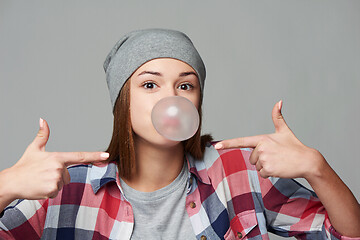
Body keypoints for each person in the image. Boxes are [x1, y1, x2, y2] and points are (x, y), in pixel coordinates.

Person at [0, 28, 359, 240]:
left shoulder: (239, 170)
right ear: (123, 100)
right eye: (150, 84)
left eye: (185, 85)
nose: (171, 98)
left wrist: (317, 167)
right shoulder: (67, 187)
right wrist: (7, 184)